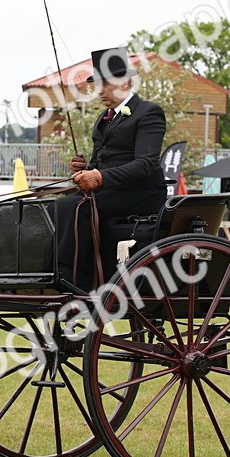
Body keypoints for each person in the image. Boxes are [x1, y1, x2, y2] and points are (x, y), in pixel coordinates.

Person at [57, 47, 167, 288]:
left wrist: (100, 177)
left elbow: (145, 164)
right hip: (110, 192)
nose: (99, 91)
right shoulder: (103, 119)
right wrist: (84, 170)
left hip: (140, 193)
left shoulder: (149, 113)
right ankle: (57, 267)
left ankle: (75, 277)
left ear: (124, 82)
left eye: (104, 84)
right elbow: (98, 163)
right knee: (56, 204)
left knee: (75, 207)